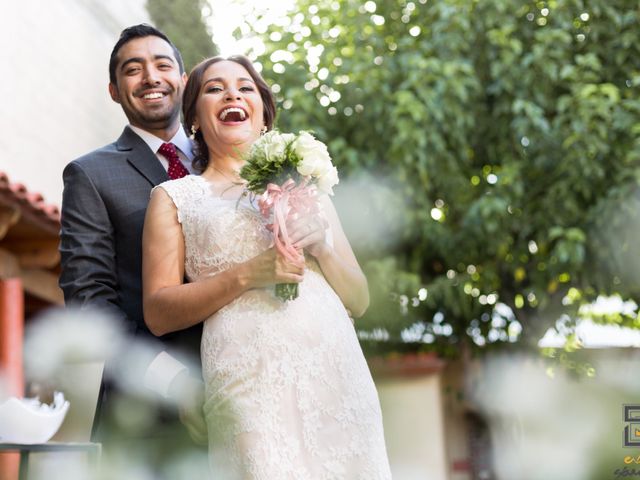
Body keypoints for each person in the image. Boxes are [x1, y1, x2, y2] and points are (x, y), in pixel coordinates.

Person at [142, 55, 392, 478]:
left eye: (245, 87)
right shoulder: (174, 197)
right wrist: (250, 273)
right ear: (196, 120)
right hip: (248, 382)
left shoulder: (307, 186)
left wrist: (324, 249)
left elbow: (360, 299)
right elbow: (158, 312)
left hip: (336, 373)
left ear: (263, 116)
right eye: (215, 88)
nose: (232, 94)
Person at [59, 24, 206, 448]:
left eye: (162, 65)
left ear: (183, 79)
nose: (150, 78)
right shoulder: (90, 174)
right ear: (114, 90)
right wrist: (175, 382)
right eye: (133, 69)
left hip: (245, 384)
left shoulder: (229, 158)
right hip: (149, 409)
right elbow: (90, 302)